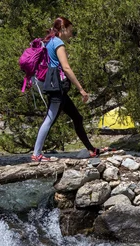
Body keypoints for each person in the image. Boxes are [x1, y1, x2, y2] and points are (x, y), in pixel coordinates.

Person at [31, 17, 104, 162]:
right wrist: (81, 89)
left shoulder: (49, 41)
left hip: (57, 87)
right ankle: (36, 154)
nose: (71, 33)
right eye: (70, 30)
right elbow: (66, 68)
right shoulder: (58, 43)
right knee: (50, 119)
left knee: (77, 118)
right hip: (57, 87)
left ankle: (91, 150)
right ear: (63, 28)